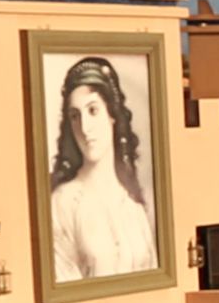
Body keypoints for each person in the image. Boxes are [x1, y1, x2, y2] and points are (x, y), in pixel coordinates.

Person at [47, 54, 158, 281]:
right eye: (75, 116)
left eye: (93, 110)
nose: (85, 128)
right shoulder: (63, 203)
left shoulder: (132, 207)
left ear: (112, 115)